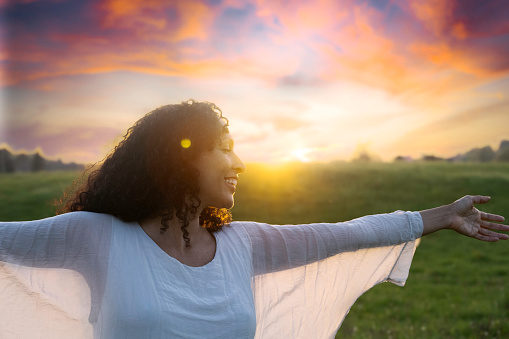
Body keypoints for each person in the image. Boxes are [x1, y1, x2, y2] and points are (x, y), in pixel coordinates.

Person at [0, 100, 507, 339]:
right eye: (223, 149)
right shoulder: (96, 237)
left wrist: (437, 216)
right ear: (179, 159)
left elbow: (342, 235)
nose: (238, 164)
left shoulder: (244, 245)